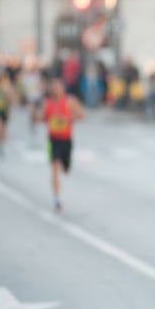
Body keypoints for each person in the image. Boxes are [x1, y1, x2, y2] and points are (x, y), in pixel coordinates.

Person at [41, 78, 85, 212]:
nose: (55, 90)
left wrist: (68, 119)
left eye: (57, 87)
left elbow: (82, 115)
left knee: (65, 169)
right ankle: (56, 198)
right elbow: (42, 118)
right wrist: (36, 116)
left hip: (66, 140)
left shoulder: (69, 101)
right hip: (53, 140)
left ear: (62, 88)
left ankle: (65, 166)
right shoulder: (47, 103)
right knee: (55, 167)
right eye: (52, 87)